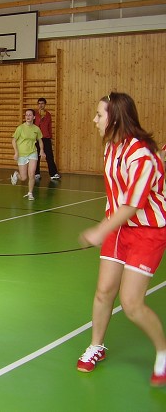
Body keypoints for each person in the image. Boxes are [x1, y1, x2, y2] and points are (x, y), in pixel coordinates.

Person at [78, 92, 166, 387]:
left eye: (99, 115)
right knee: (104, 291)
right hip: (119, 227)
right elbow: (117, 199)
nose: (95, 120)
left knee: (131, 303)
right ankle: (96, 346)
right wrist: (109, 227)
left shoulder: (141, 154)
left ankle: (163, 353)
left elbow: (132, 205)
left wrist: (100, 230)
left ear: (115, 117)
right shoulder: (111, 148)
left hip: (147, 230)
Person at [10, 109, 45, 200]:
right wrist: (16, 152)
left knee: (32, 173)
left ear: (33, 117)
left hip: (33, 152)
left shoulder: (36, 129)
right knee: (23, 178)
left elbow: (40, 140)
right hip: (22, 154)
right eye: (26, 115)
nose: (28, 116)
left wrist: (41, 150)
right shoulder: (20, 128)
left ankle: (30, 193)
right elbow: (14, 140)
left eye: (30, 115)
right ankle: (16, 175)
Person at [34, 98, 61, 180]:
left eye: (42, 103)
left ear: (45, 104)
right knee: (36, 157)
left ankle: (53, 173)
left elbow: (49, 127)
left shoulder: (48, 114)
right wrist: (40, 119)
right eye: (39, 103)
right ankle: (36, 173)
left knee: (49, 156)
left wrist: (51, 137)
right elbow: (34, 126)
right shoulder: (35, 114)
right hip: (36, 139)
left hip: (46, 138)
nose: (41, 105)